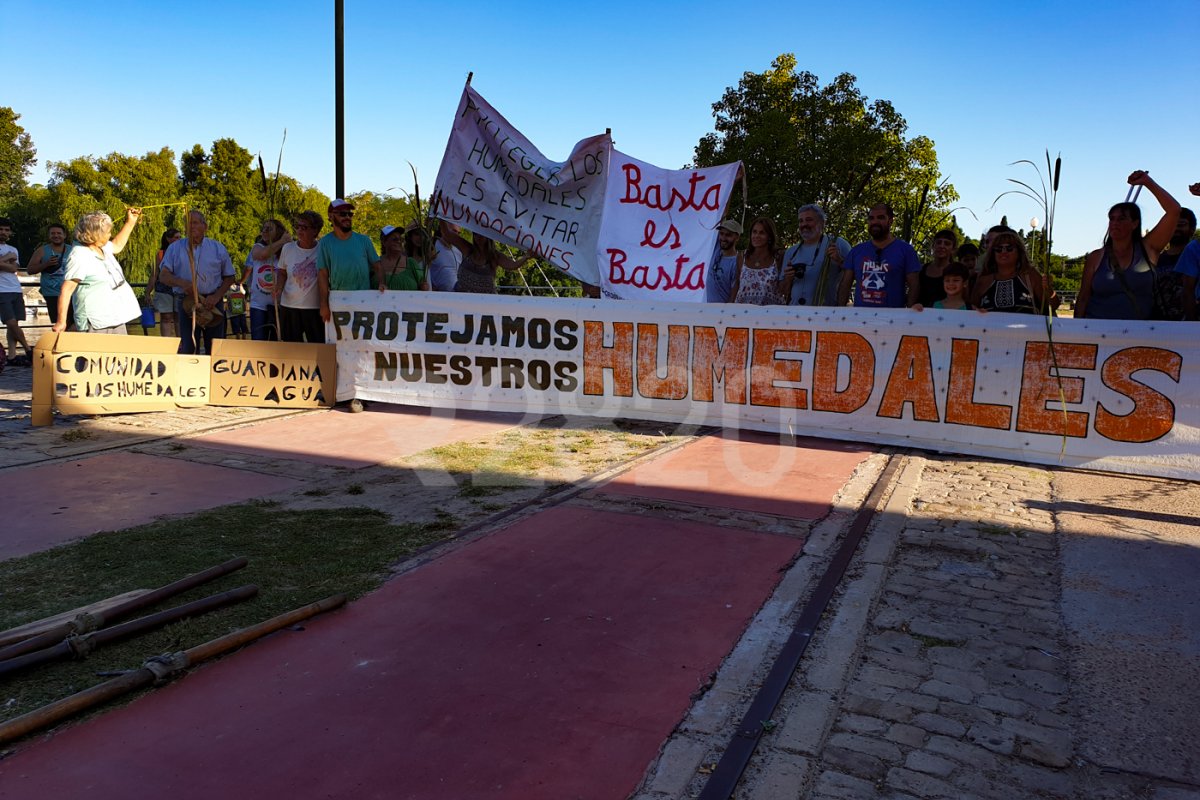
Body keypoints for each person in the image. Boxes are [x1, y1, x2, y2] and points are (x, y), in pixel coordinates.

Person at [1074, 171, 1179, 320]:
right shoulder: (1096, 257)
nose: (1115, 223)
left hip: (1139, 334)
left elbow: (1174, 211)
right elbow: (1083, 297)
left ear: (1135, 224)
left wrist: (1148, 182)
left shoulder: (1148, 249)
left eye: (1122, 219)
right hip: (1098, 331)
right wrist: (1078, 332)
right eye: (1112, 219)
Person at [52, 209, 143, 334]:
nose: (109, 235)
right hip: (96, 322)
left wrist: (130, 222)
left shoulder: (101, 246)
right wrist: (61, 321)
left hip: (115, 316)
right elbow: (66, 290)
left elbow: (117, 246)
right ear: (94, 234)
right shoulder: (79, 255)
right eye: (107, 232)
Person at [157, 210, 236, 354]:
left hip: (212, 302)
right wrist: (182, 283)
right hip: (186, 303)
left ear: (205, 226)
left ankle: (214, 375)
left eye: (195, 223)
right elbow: (163, 276)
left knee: (214, 348)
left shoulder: (217, 248)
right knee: (188, 346)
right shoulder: (175, 248)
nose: (191, 227)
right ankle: (188, 375)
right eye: (188, 223)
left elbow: (230, 276)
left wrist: (217, 296)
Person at [838, 204, 922, 308]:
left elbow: (914, 286)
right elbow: (845, 285)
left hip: (892, 320)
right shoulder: (856, 251)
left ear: (890, 221)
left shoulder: (906, 251)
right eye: (871, 218)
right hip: (861, 320)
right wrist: (840, 312)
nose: (875, 222)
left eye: (881, 217)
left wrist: (909, 315)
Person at [317, 199, 381, 323]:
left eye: (349, 214)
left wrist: (381, 282)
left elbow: (377, 266)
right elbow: (323, 274)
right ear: (330, 216)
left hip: (364, 299)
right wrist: (324, 304)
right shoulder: (325, 242)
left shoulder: (364, 240)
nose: (347, 217)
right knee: (340, 341)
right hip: (338, 300)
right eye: (342, 214)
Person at [778, 204, 849, 307]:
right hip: (795, 314)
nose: (804, 224)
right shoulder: (791, 252)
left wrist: (839, 261)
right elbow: (782, 290)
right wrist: (788, 279)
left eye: (809, 220)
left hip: (826, 315)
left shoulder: (837, 243)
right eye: (801, 221)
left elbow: (855, 275)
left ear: (822, 223)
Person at [439, 220, 532, 294]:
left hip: (484, 306)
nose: (478, 237)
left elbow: (512, 265)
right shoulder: (468, 249)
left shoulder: (494, 256)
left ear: (488, 236)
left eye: (481, 234)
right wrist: (439, 213)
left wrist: (526, 256)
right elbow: (447, 234)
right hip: (461, 302)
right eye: (475, 234)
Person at [971, 230, 1050, 314]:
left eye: (1009, 248)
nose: (1004, 252)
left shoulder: (1030, 275)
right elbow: (970, 309)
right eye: (998, 249)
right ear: (993, 253)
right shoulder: (983, 281)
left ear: (1019, 251)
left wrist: (1049, 289)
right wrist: (975, 310)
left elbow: (1051, 306)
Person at [276, 210, 325, 343]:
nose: (299, 230)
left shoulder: (323, 250)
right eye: (297, 226)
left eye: (304, 227)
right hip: (289, 306)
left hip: (314, 308)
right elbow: (281, 272)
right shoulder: (287, 248)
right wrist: (278, 288)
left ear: (315, 231)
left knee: (317, 345)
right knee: (290, 347)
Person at [245, 219, 290, 340]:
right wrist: (282, 241)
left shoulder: (287, 250)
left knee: (278, 341)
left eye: (269, 229)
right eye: (263, 229)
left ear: (278, 231)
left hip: (280, 304)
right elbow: (262, 255)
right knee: (258, 341)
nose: (264, 232)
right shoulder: (257, 246)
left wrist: (284, 243)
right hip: (258, 305)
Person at [1150, 207, 1195, 321]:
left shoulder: (1196, 259)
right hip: (1159, 326)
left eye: (1181, 224)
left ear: (1192, 229)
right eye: (1173, 225)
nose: (1176, 228)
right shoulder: (1154, 261)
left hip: (1193, 327)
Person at [25, 223, 73, 329]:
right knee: (60, 322)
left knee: (74, 322)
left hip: (72, 293)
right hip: (52, 293)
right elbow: (30, 270)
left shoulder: (72, 250)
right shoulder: (42, 251)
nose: (56, 236)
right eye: (53, 233)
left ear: (65, 235)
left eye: (59, 233)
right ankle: (61, 344)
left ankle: (69, 344)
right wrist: (46, 264)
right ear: (49, 236)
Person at [0, 217, 31, 361]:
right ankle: (28, 348)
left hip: (15, 288)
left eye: (6, 230)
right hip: (1, 290)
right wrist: (8, 258)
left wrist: (3, 261)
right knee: (10, 322)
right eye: (1, 229)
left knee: (13, 325)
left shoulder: (13, 249)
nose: (4, 232)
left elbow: (14, 268)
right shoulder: (10, 253)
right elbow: (9, 265)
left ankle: (11, 356)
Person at [730, 217, 782, 305]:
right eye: (754, 232)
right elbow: (737, 284)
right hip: (743, 314)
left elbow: (784, 287)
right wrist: (729, 307)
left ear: (769, 236)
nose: (756, 236)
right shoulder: (741, 256)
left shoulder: (778, 257)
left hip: (769, 315)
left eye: (762, 233)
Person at [148, 228, 182, 338]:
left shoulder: (184, 252)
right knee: (166, 317)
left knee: (179, 317)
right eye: (176, 237)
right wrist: (148, 291)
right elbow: (154, 274)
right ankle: (167, 342)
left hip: (179, 288)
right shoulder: (161, 254)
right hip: (163, 289)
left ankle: (181, 343)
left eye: (180, 237)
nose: (179, 240)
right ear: (168, 239)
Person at [378, 225, 430, 291]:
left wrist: (424, 286)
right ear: (384, 241)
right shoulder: (375, 264)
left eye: (401, 239)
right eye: (395, 239)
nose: (399, 242)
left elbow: (423, 286)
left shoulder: (411, 263)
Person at [917, 229, 957, 307]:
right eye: (938, 242)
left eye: (947, 243)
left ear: (953, 249)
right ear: (933, 246)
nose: (942, 246)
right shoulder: (921, 270)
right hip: (922, 316)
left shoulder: (957, 272)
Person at [706, 219, 742, 303]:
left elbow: (734, 293)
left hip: (722, 312)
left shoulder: (737, 263)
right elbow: (720, 216)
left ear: (737, 237)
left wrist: (726, 313)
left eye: (728, 235)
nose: (723, 238)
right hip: (706, 310)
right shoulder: (716, 250)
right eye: (721, 234)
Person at [427, 224, 463, 291]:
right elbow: (424, 268)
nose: (457, 235)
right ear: (444, 230)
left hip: (456, 296)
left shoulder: (459, 250)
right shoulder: (432, 245)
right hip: (437, 297)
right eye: (454, 231)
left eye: (459, 233)